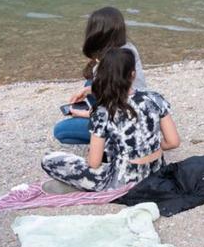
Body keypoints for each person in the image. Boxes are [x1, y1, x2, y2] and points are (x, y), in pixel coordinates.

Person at [42, 47, 181, 191]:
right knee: (114, 141)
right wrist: (145, 148)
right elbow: (173, 142)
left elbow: (94, 163)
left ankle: (79, 186)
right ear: (133, 75)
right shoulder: (155, 98)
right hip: (156, 172)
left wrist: (92, 152)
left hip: (122, 181)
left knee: (49, 160)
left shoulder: (103, 111)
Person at [53, 6, 148, 146]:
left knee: (61, 131)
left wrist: (84, 114)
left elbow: (114, 110)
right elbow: (116, 87)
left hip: (125, 121)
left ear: (97, 32)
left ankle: (110, 145)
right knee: (88, 85)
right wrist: (88, 90)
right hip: (137, 106)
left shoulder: (112, 60)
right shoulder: (127, 48)